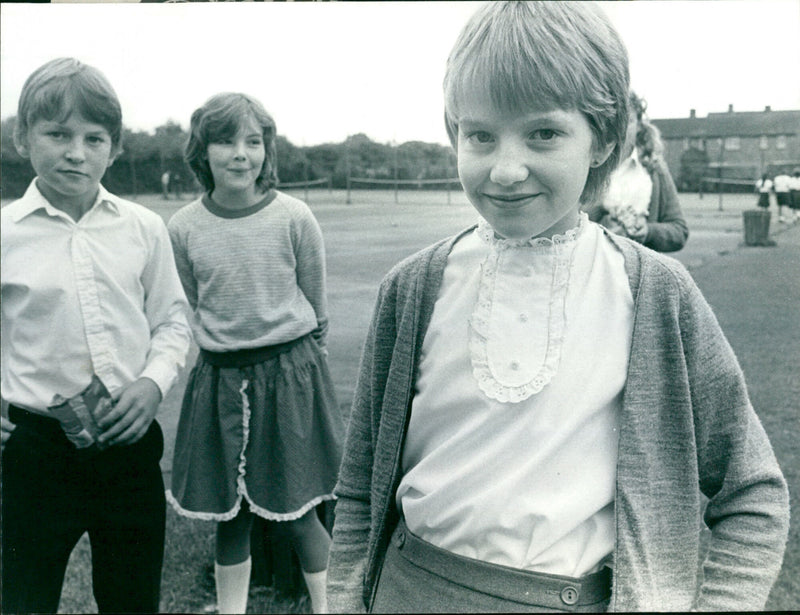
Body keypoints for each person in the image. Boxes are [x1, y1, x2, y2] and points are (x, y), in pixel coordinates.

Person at [326, 2, 789, 613]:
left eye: (543, 133)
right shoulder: (411, 288)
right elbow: (359, 492)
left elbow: (753, 495)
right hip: (408, 591)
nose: (506, 168)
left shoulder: (658, 294)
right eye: (480, 135)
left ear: (602, 138)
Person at [0, 57, 192, 614]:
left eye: (94, 137)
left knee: (131, 600)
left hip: (128, 447)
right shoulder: (6, 234)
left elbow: (172, 322)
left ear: (116, 146)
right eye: (57, 133)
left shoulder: (143, 228)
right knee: (24, 599)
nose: (76, 152)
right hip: (36, 454)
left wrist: (153, 385)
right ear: (22, 137)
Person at [166, 92, 343, 614]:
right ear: (203, 151)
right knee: (231, 516)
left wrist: (300, 369)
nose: (241, 153)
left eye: (253, 140)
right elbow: (192, 304)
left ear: (267, 149)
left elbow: (317, 303)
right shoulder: (183, 227)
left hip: (290, 375)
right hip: (220, 379)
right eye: (226, 140)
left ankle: (329, 607)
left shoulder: (294, 216)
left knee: (298, 513)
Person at [584, 91, 689, 252]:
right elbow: (565, 230)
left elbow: (679, 232)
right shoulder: (588, 164)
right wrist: (602, 217)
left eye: (629, 121)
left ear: (639, 125)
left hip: (639, 273)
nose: (621, 129)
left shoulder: (654, 167)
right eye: (615, 121)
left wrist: (648, 232)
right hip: (594, 269)